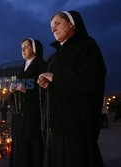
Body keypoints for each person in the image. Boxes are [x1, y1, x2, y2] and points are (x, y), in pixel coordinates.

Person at [37, 10, 106, 167]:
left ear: (71, 23)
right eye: (51, 26)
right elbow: (57, 84)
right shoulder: (54, 57)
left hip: (75, 125)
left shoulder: (87, 45)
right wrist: (47, 83)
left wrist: (55, 78)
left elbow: (92, 78)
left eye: (57, 23)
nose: (53, 28)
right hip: (54, 125)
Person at [9, 38, 46, 167]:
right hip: (19, 115)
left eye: (26, 47)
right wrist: (12, 91)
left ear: (34, 49)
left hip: (32, 114)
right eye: (22, 48)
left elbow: (45, 91)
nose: (23, 50)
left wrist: (26, 90)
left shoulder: (42, 66)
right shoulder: (20, 68)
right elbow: (17, 90)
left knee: (33, 148)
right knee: (19, 146)